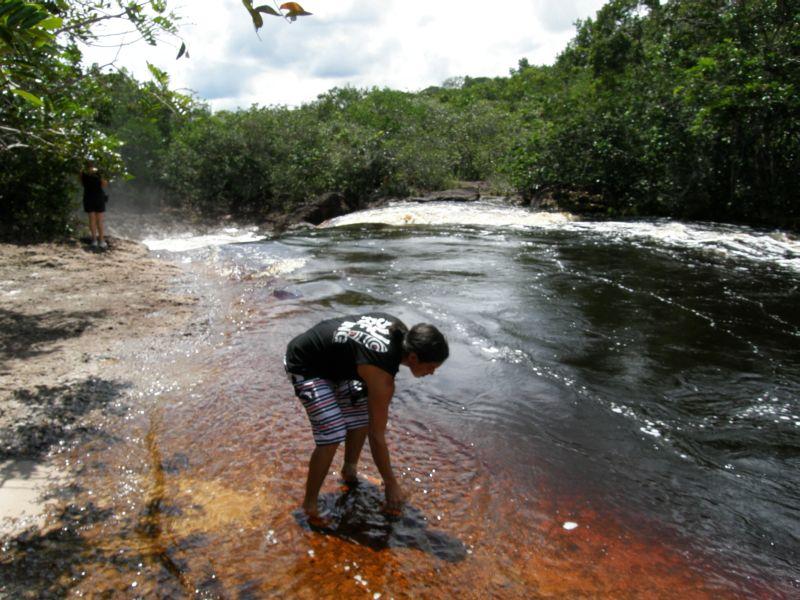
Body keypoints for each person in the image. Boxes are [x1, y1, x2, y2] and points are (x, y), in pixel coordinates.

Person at [285, 312, 449, 523]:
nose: (432, 373)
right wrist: (391, 484)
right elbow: (377, 435)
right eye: (431, 367)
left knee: (362, 408)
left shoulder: (398, 329)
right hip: (305, 363)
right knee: (333, 433)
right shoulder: (381, 372)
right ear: (414, 358)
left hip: (334, 363)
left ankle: (349, 470)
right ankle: (310, 505)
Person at [80, 161, 109, 249]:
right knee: (99, 220)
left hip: (88, 196)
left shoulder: (82, 172)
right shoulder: (99, 172)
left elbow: (82, 183)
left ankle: (94, 240)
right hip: (98, 197)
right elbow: (104, 184)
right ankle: (101, 240)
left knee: (91, 219)